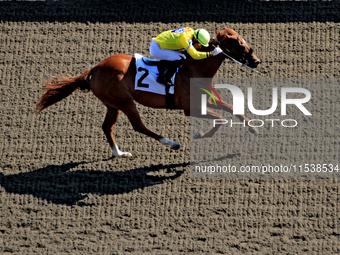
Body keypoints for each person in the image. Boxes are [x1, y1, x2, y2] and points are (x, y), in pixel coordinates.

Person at [149, 27, 223, 86]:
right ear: (195, 39)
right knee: (181, 57)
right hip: (156, 49)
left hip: (162, 43)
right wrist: (212, 53)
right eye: (200, 44)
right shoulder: (186, 39)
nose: (200, 47)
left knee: (182, 53)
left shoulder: (191, 32)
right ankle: (163, 77)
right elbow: (195, 55)